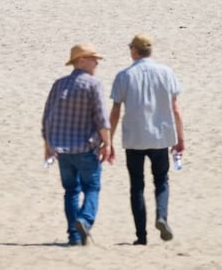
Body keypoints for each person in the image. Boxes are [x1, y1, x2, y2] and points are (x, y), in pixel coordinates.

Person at [109, 33, 184, 245]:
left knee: (137, 186)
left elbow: (115, 111)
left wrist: (109, 140)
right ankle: (161, 216)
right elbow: (175, 108)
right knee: (161, 181)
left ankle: (141, 236)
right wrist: (180, 138)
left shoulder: (124, 75)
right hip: (160, 136)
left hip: (134, 138)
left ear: (134, 50)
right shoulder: (166, 72)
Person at [42, 43, 113, 246]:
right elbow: (101, 119)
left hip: (62, 149)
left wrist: (47, 145)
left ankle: (74, 235)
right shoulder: (93, 84)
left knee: (71, 191)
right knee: (92, 187)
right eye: (93, 58)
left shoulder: (59, 84)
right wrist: (107, 144)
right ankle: (84, 220)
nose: (97, 62)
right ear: (81, 61)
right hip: (85, 148)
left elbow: (47, 117)